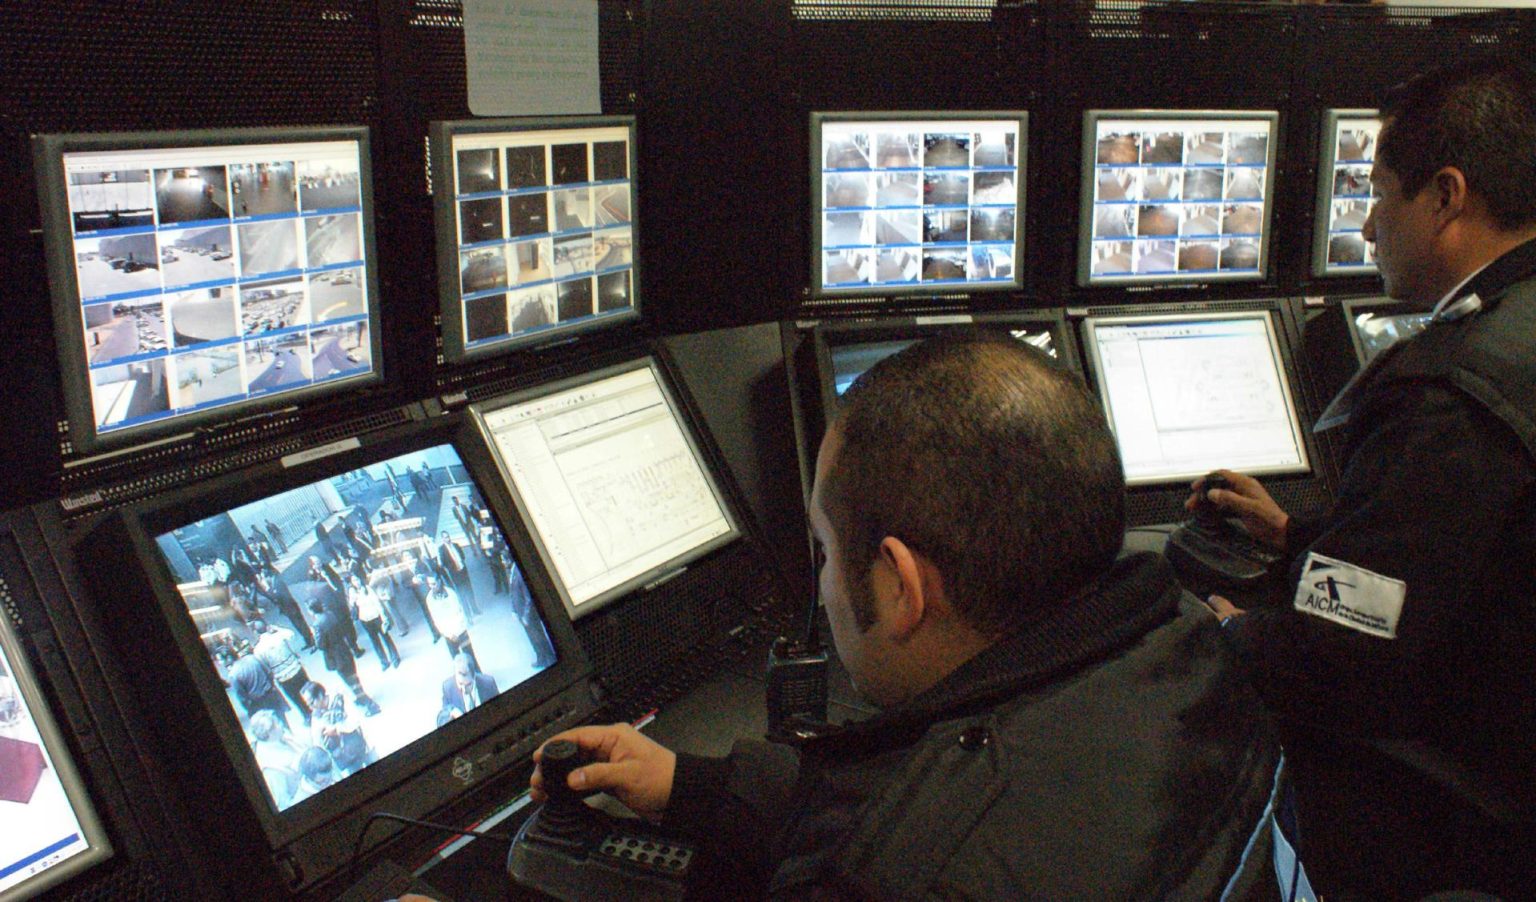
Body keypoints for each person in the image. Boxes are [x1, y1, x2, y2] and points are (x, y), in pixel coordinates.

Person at [532, 333, 1279, 898]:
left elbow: (926, 831)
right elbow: (926, 788)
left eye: (824, 549)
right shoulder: (1190, 647)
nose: (822, 584)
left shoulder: (903, 879)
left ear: (900, 587)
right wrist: (696, 788)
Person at [1192, 58, 1536, 899]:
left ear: (1447, 196)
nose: (1371, 228)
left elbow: (1341, 658)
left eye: (1381, 194)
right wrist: (1297, 535)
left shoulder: (1455, 393)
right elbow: (1468, 566)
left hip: (1460, 807)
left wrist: (1230, 631)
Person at [309, 598, 380, 716]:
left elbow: (321, 645)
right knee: (353, 677)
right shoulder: (330, 614)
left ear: (312, 611)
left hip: (335, 656)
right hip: (344, 649)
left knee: (350, 680)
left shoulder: (317, 624)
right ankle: (361, 698)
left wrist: (314, 635)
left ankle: (370, 704)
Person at [250, 619, 314, 724]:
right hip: (296, 669)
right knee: (309, 689)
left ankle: (307, 715)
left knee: (296, 698)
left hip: (283, 677)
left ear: (255, 632)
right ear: (267, 627)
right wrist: (278, 629)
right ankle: (316, 706)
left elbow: (263, 665)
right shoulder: (278, 636)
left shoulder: (258, 649)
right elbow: (291, 634)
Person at [302, 681, 371, 777]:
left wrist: (337, 730)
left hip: (362, 744)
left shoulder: (340, 699)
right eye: (308, 705)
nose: (310, 707)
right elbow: (317, 741)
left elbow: (354, 721)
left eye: (312, 702)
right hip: (345, 758)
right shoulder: (316, 715)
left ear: (320, 696)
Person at [424, 575, 479, 675]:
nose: (432, 587)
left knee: (470, 656)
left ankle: (478, 675)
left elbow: (459, 612)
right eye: (429, 584)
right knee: (456, 660)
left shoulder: (450, 593)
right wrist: (449, 634)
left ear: (439, 581)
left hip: (460, 630)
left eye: (434, 583)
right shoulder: (429, 599)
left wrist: (457, 631)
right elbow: (436, 619)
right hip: (448, 634)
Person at [347, 573, 400, 670]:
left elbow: (377, 603)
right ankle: (384, 662)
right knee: (375, 641)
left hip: (376, 617)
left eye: (357, 580)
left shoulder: (367, 589)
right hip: (365, 619)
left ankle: (394, 657)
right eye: (354, 581)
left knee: (385, 637)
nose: (356, 582)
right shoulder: (353, 593)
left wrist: (384, 617)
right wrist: (352, 599)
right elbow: (352, 608)